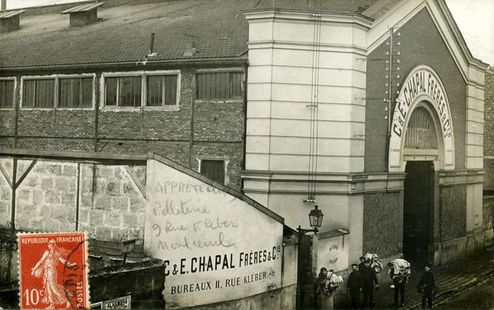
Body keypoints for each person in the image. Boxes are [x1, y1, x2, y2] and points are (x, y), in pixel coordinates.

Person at [31, 239, 77, 309]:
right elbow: (41, 261)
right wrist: (34, 269)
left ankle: (67, 300)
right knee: (48, 287)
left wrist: (70, 265)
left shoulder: (56, 253)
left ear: (54, 245)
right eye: (49, 244)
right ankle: (52, 305)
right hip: (46, 271)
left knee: (54, 287)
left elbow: (63, 261)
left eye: (51, 244)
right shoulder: (47, 252)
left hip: (52, 271)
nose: (50, 246)